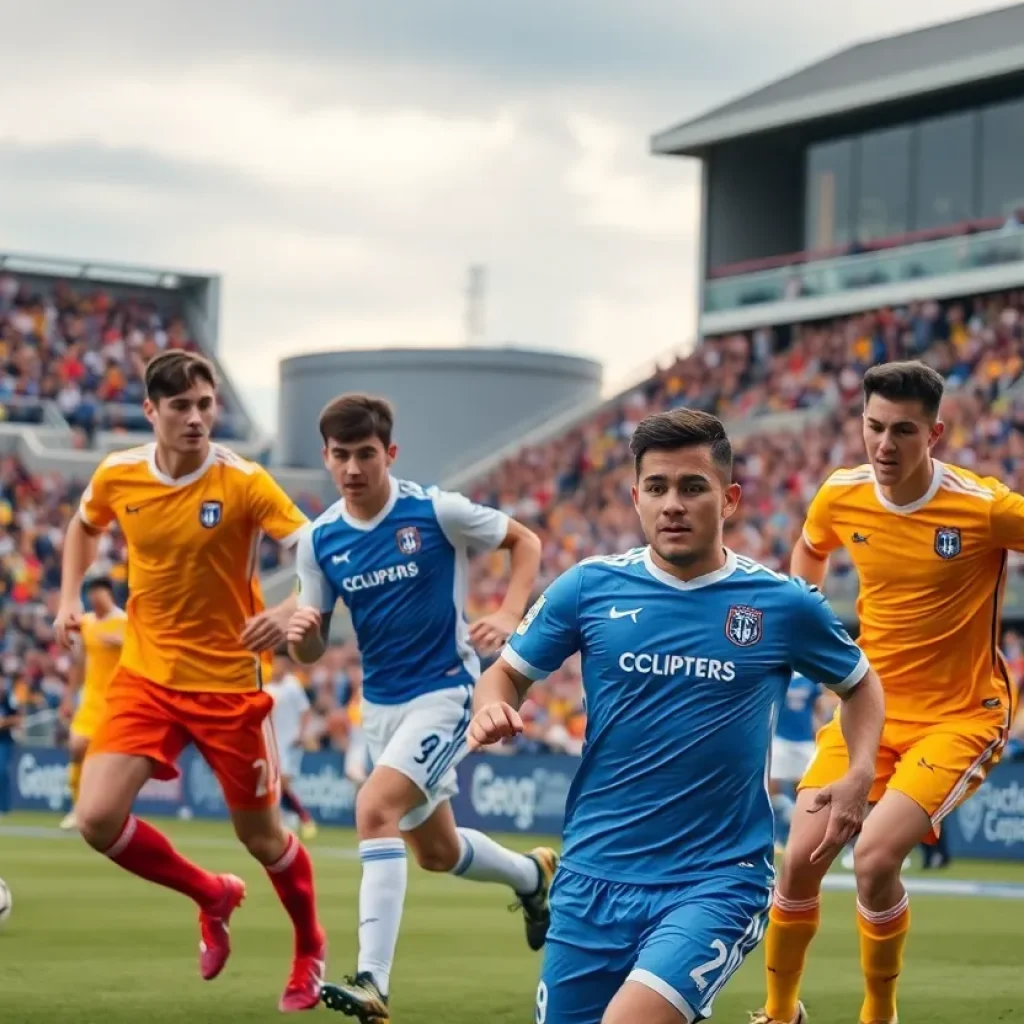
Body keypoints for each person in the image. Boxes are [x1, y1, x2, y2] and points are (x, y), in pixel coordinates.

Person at [469, 408, 885, 1024]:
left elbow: (861, 684)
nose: (673, 505)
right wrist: (491, 707)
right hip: (590, 875)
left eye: (693, 487)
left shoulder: (782, 604)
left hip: (716, 879)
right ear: (636, 498)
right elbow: (504, 673)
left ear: (729, 499)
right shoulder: (588, 587)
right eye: (657, 488)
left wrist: (860, 771)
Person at [54, 350, 327, 1012]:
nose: (197, 418)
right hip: (146, 676)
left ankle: (309, 947)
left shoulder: (244, 481)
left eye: (205, 405)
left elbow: (320, 550)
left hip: (230, 684)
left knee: (262, 839)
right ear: (152, 411)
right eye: (181, 406)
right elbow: (83, 527)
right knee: (95, 819)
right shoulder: (119, 473)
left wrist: (292, 608)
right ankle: (211, 893)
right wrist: (67, 597)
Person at [753, 360, 1021, 1024]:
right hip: (868, 709)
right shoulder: (841, 494)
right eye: (874, 427)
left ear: (934, 433)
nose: (884, 444)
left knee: (872, 859)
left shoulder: (984, 507)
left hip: (960, 717)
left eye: (903, 430)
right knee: (798, 862)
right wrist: (809, 625)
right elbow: (810, 549)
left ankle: (880, 1013)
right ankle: (781, 1013)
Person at [286, 393, 555, 1023]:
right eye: (341, 455)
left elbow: (525, 541)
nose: (353, 468)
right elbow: (311, 646)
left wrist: (509, 613)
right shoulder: (319, 540)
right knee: (435, 853)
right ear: (326, 458)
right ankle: (532, 876)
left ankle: (372, 984)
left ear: (390, 453)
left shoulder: (435, 511)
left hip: (445, 693)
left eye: (366, 454)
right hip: (381, 708)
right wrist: (302, 637)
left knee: (372, 808)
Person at [60, 575, 126, 831]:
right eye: (90, 594)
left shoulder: (125, 623)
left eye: (98, 593)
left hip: (117, 701)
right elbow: (78, 663)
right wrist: (68, 697)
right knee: (77, 747)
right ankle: (78, 808)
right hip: (91, 698)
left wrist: (124, 643)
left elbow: (143, 653)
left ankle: (109, 811)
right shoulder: (86, 623)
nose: (93, 599)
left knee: (109, 760)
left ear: (109, 594)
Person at [770, 673, 833, 853]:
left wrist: (821, 732)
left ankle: (802, 836)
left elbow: (818, 708)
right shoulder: (780, 675)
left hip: (805, 740)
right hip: (780, 738)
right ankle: (781, 829)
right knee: (771, 787)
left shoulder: (810, 679)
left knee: (806, 789)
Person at [267, 654, 318, 840]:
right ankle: (289, 819)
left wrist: (302, 734)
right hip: (270, 741)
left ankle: (302, 817)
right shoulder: (266, 685)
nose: (277, 667)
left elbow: (305, 711)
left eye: (281, 664)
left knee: (282, 782)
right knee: (274, 784)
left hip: (290, 742)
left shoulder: (292, 685)